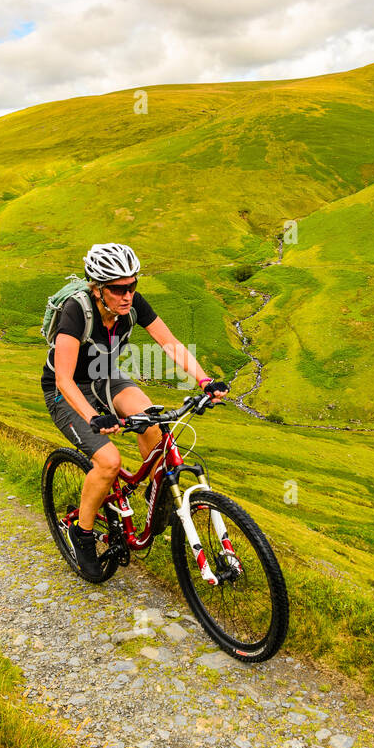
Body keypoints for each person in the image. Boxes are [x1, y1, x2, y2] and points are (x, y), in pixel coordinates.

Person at [41, 243, 229, 575]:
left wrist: (204, 381)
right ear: (97, 288)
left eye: (132, 286)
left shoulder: (132, 304)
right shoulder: (76, 311)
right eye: (117, 289)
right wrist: (94, 417)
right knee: (109, 461)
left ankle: (154, 497)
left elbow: (169, 343)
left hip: (107, 377)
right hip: (66, 392)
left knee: (156, 427)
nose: (127, 295)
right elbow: (64, 380)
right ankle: (82, 533)